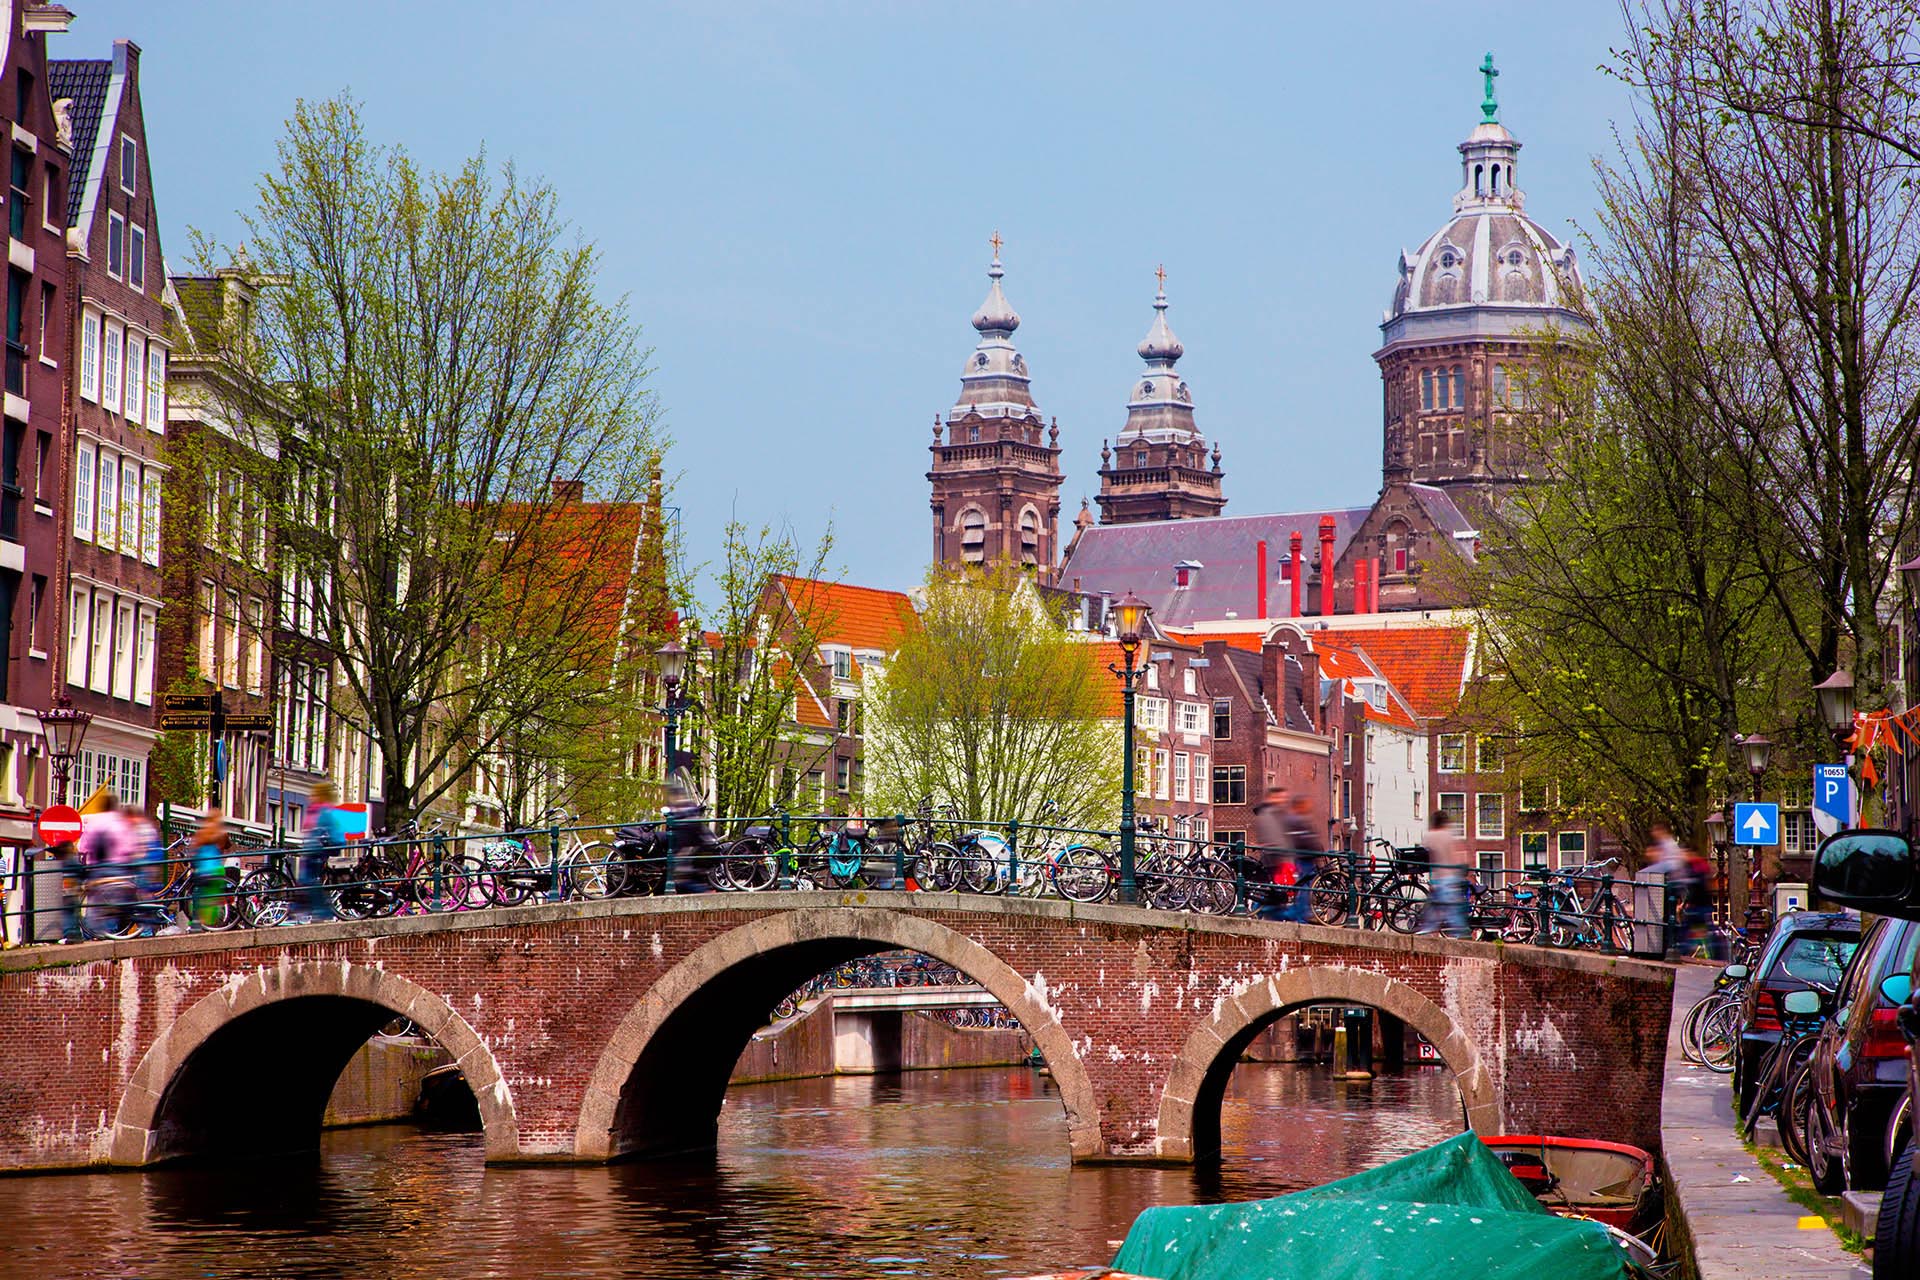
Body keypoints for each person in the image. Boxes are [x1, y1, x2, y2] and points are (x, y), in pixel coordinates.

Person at [1643, 821, 1713, 956]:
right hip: (1696, 904)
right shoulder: (1693, 865)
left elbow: (1696, 886)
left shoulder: (1694, 866)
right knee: (1693, 930)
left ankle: (1681, 952)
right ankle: (1689, 951)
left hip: (1696, 904)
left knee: (1686, 931)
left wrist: (1685, 902)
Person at [76, 792, 138, 938]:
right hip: (118, 868)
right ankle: (110, 933)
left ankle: (90, 935)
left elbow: (82, 847)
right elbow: (129, 847)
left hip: (96, 868)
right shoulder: (121, 822)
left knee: (94, 903)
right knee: (115, 902)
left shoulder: (94, 822)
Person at [300, 783, 354, 922]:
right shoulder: (317, 810)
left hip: (320, 850)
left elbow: (329, 833)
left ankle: (321, 911)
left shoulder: (325, 811)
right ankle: (307, 908)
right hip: (313, 849)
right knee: (305, 879)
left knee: (308, 879)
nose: (311, 797)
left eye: (315, 794)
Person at [1417, 808, 1468, 938]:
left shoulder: (1430, 836)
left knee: (1442, 907)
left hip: (1440, 877)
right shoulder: (1448, 835)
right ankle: (1459, 933)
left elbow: (1426, 855)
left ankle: (1429, 929)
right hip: (1451, 876)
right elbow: (1454, 854)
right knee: (1448, 907)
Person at [1250, 785, 1292, 922]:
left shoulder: (1274, 813)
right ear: (1273, 798)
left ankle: (1262, 911)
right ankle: (1259, 911)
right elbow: (1271, 836)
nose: (1283, 800)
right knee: (1272, 888)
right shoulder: (1267, 814)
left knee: (1272, 888)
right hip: (1272, 856)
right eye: (1280, 797)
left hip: (1276, 855)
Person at [1281, 794, 1325, 922]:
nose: (1308, 807)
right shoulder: (1295, 820)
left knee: (1307, 885)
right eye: (1305, 805)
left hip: (1307, 857)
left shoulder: (1299, 820)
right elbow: (1302, 840)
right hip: (1304, 857)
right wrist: (1315, 849)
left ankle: (1300, 913)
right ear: (1299, 806)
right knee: (1305, 886)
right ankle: (1298, 915)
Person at [190, 810, 232, 930]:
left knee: (199, 896)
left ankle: (197, 923)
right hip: (215, 870)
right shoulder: (220, 833)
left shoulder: (201, 833)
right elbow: (228, 845)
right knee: (214, 898)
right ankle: (211, 924)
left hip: (202, 870)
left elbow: (195, 850)